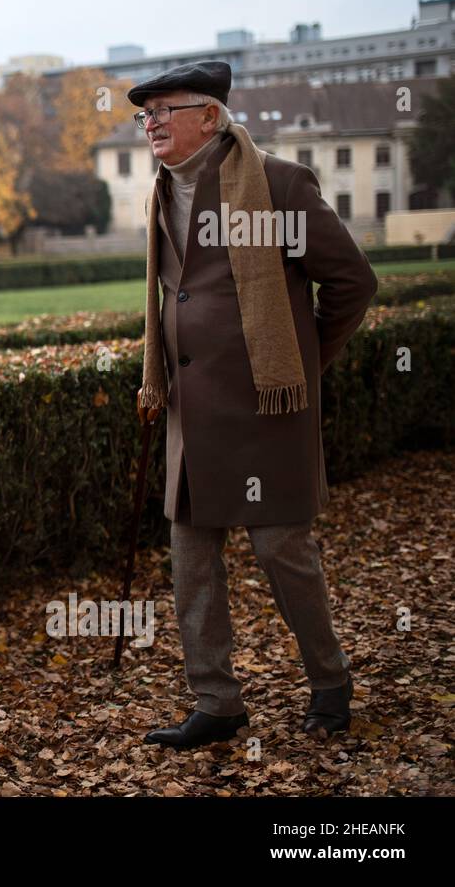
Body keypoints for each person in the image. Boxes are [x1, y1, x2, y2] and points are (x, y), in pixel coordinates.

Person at [128, 61, 377, 749]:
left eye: (162, 110)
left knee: (281, 552)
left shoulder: (280, 184)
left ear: (210, 116)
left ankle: (329, 682)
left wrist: (300, 362)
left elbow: (353, 282)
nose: (149, 122)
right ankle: (217, 702)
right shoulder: (159, 191)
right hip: (189, 406)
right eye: (142, 114)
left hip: (269, 410)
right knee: (191, 559)